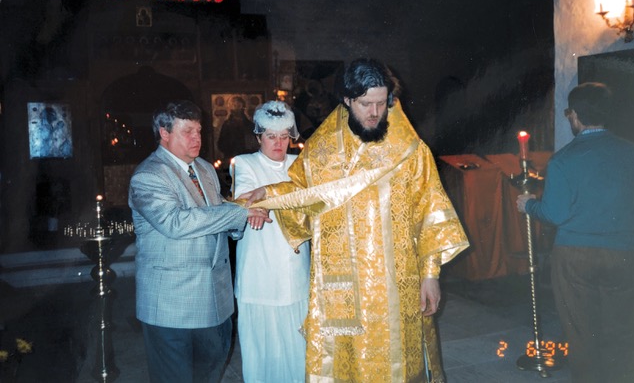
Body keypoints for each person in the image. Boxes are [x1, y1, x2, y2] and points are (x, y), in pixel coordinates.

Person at [240, 59, 469, 382]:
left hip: (399, 283)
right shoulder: (322, 149)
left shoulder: (409, 150)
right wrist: (269, 192)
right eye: (366, 104)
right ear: (347, 100)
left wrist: (430, 275)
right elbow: (304, 193)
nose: (375, 113)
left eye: (381, 103)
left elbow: (429, 210)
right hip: (345, 285)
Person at [128, 100, 270, 383]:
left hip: (214, 301)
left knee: (209, 375)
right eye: (187, 132)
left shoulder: (204, 168)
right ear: (164, 133)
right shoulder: (149, 175)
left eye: (199, 131)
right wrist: (236, 213)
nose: (197, 138)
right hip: (172, 306)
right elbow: (175, 223)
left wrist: (241, 215)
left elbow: (214, 214)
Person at [516, 82, 634, 383]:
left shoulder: (564, 159)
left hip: (576, 257)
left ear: (574, 115)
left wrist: (529, 205)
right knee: (623, 327)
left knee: (582, 331)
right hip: (626, 253)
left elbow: (555, 214)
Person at [233, 100, 310, 382]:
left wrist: (267, 195)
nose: (278, 143)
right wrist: (257, 203)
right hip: (260, 265)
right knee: (262, 347)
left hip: (294, 264)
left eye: (284, 136)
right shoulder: (245, 163)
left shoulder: (299, 164)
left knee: (296, 343)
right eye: (271, 136)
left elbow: (307, 195)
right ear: (258, 137)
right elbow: (244, 198)